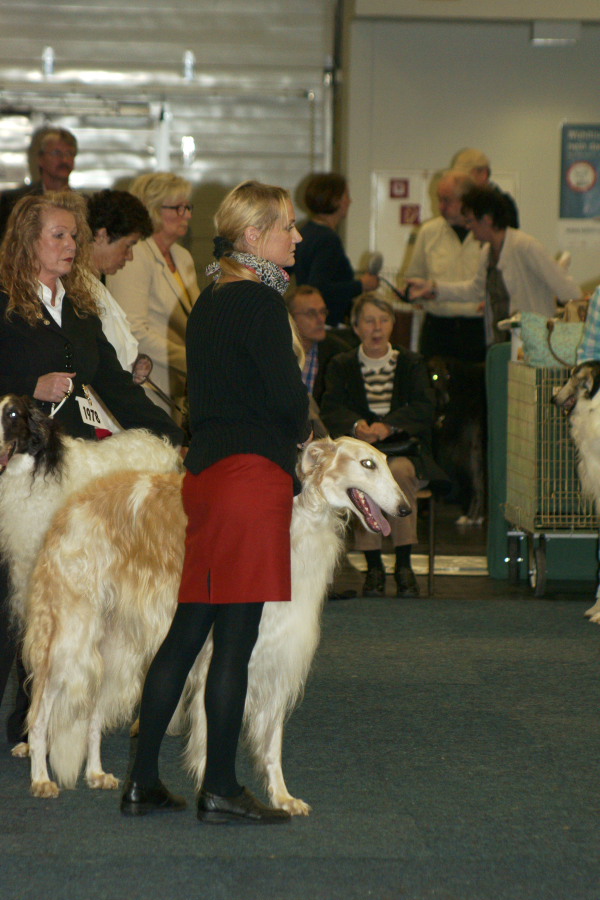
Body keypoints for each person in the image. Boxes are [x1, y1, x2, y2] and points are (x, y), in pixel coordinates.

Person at [120, 180, 310, 824]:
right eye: (287, 226)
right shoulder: (261, 303)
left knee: (187, 631)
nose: (297, 236)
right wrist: (303, 435)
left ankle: (143, 781)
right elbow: (287, 399)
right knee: (234, 641)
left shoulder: (210, 298)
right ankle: (222, 788)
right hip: (249, 480)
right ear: (254, 236)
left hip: (207, 477)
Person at [0, 190, 185, 744]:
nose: (70, 245)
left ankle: (32, 719)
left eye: (74, 236)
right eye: (58, 235)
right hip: (14, 472)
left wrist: (176, 437)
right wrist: (27, 387)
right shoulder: (4, 305)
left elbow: (115, 386)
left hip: (70, 472)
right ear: (27, 242)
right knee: (8, 600)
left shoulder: (81, 308)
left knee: (54, 595)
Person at [320, 294, 445, 599]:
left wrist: (389, 426)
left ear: (392, 324)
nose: (377, 327)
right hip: (361, 453)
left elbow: (425, 408)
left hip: (404, 451)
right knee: (363, 479)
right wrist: (356, 426)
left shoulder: (411, 363)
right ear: (356, 327)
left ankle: (404, 564)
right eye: (369, 321)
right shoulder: (341, 364)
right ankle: (374, 566)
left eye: (384, 320)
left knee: (398, 473)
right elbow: (331, 408)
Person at [408, 186, 582, 346]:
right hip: (501, 341)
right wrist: (434, 288)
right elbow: (476, 290)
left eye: (470, 221)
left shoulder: (525, 246)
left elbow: (569, 291)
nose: (468, 227)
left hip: (534, 344)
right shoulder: (487, 251)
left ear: (487, 219)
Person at [107, 172, 199, 421]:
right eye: (178, 208)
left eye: (188, 207)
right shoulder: (135, 254)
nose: (187, 215)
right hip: (147, 385)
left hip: (181, 386)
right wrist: (193, 359)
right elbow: (134, 331)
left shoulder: (183, 257)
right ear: (152, 210)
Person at [406, 170, 485, 362]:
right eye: (439, 199)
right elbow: (413, 278)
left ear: (467, 201)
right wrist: (414, 292)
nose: (441, 206)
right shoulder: (428, 232)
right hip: (438, 329)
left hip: (478, 330)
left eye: (447, 200)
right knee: (433, 381)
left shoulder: (486, 233)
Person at [292, 172, 378, 327]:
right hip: (326, 323)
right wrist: (361, 285)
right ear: (335, 200)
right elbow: (319, 288)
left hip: (307, 322)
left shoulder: (305, 231)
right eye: (346, 196)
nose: (350, 201)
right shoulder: (328, 239)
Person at [87, 188, 153, 369]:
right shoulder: (79, 291)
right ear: (102, 236)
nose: (130, 256)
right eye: (128, 245)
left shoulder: (95, 285)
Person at [0, 127, 78, 239]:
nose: (64, 160)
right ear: (40, 159)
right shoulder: (14, 201)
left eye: (70, 153)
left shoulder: (85, 204)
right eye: (57, 153)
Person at [286, 284, 350, 405]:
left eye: (322, 312)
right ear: (291, 318)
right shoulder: (275, 352)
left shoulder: (339, 353)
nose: (321, 319)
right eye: (311, 313)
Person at [451, 147, 520, 229]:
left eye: (467, 176)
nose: (462, 181)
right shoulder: (459, 202)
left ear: (484, 174)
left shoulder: (502, 205)